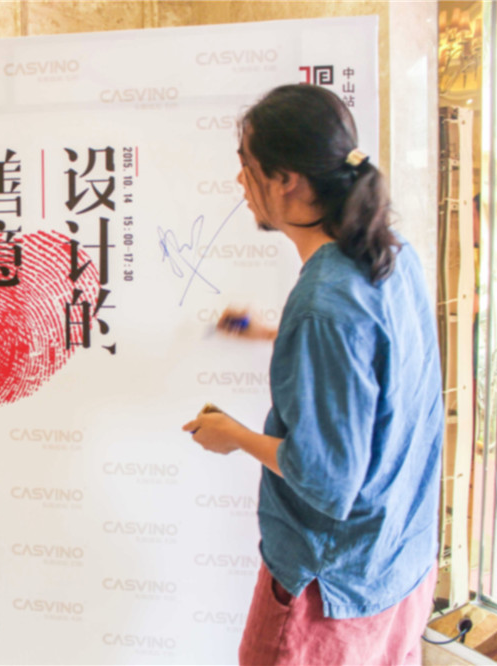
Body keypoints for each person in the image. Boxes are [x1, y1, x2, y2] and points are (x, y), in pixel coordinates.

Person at [182, 85, 443, 665]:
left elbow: (326, 479)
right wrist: (275, 334)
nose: (239, 182)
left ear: (287, 181)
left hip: (330, 592)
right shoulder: (391, 251)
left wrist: (233, 435)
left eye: (247, 166)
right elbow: (376, 357)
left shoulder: (324, 304)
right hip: (398, 562)